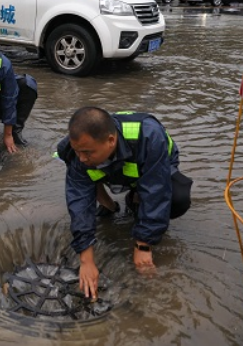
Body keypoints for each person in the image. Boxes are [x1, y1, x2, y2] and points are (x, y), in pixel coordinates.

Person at [55, 107, 192, 299]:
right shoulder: (78, 152)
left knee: (176, 199)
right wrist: (86, 260)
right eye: (78, 152)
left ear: (111, 141)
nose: (82, 158)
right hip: (114, 168)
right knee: (85, 176)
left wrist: (143, 245)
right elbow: (79, 202)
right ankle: (110, 204)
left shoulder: (149, 135)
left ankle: (135, 198)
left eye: (87, 152)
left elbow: (156, 190)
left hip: (154, 166)